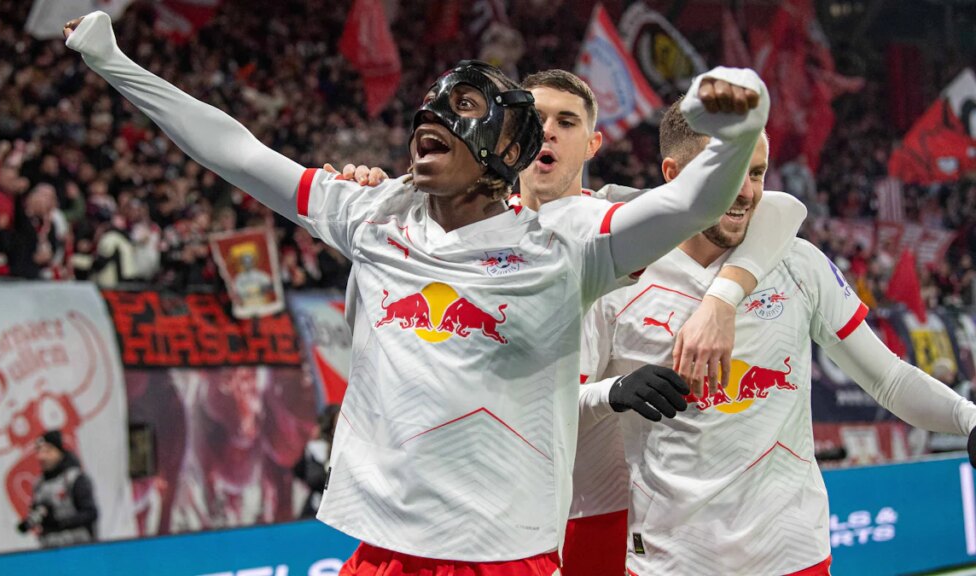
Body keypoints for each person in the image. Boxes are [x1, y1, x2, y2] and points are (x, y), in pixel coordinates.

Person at [64, 11, 768, 573]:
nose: (432, 114)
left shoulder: (564, 247)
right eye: (430, 104)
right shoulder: (371, 214)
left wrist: (738, 133)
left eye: (462, 106)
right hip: (383, 552)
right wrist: (115, 63)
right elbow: (237, 152)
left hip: (504, 557)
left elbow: (689, 206)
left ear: (505, 150)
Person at [334, 69, 804, 576]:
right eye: (535, 119)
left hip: (599, 511)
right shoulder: (451, 233)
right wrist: (372, 199)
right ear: (508, 136)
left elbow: (779, 207)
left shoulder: (620, 222)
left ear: (593, 144)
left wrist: (722, 300)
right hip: (485, 512)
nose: (548, 131)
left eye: (566, 121)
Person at [578, 100, 976, 575]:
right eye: (728, 173)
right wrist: (615, 391)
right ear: (673, 173)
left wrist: (968, 418)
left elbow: (888, 379)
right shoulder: (617, 277)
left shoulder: (798, 263)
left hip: (792, 555)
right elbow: (561, 405)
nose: (746, 192)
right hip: (671, 560)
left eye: (757, 173)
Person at [16, 431, 99, 548]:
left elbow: (90, 513)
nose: (42, 457)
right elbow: (38, 512)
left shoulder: (74, 478)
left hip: (78, 547)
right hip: (49, 548)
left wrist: (60, 522)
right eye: (39, 451)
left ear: (59, 452)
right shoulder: (39, 484)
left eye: (48, 451)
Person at [294, 404, 340, 519]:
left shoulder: (349, 450)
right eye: (337, 424)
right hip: (317, 511)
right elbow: (312, 478)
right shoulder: (317, 449)